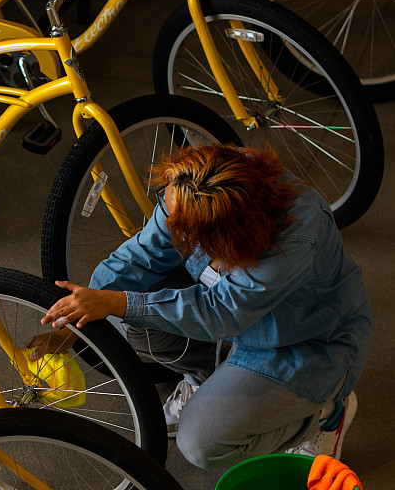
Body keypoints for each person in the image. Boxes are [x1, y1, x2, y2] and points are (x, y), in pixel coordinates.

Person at [33, 144, 372, 470]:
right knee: (131, 313)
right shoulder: (194, 183)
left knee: (200, 444)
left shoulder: (296, 236)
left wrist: (117, 302)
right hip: (237, 323)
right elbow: (140, 256)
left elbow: (220, 312)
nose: (168, 226)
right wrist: (76, 320)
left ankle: (325, 415)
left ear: (225, 238)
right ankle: (207, 378)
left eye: (186, 232)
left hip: (302, 344)